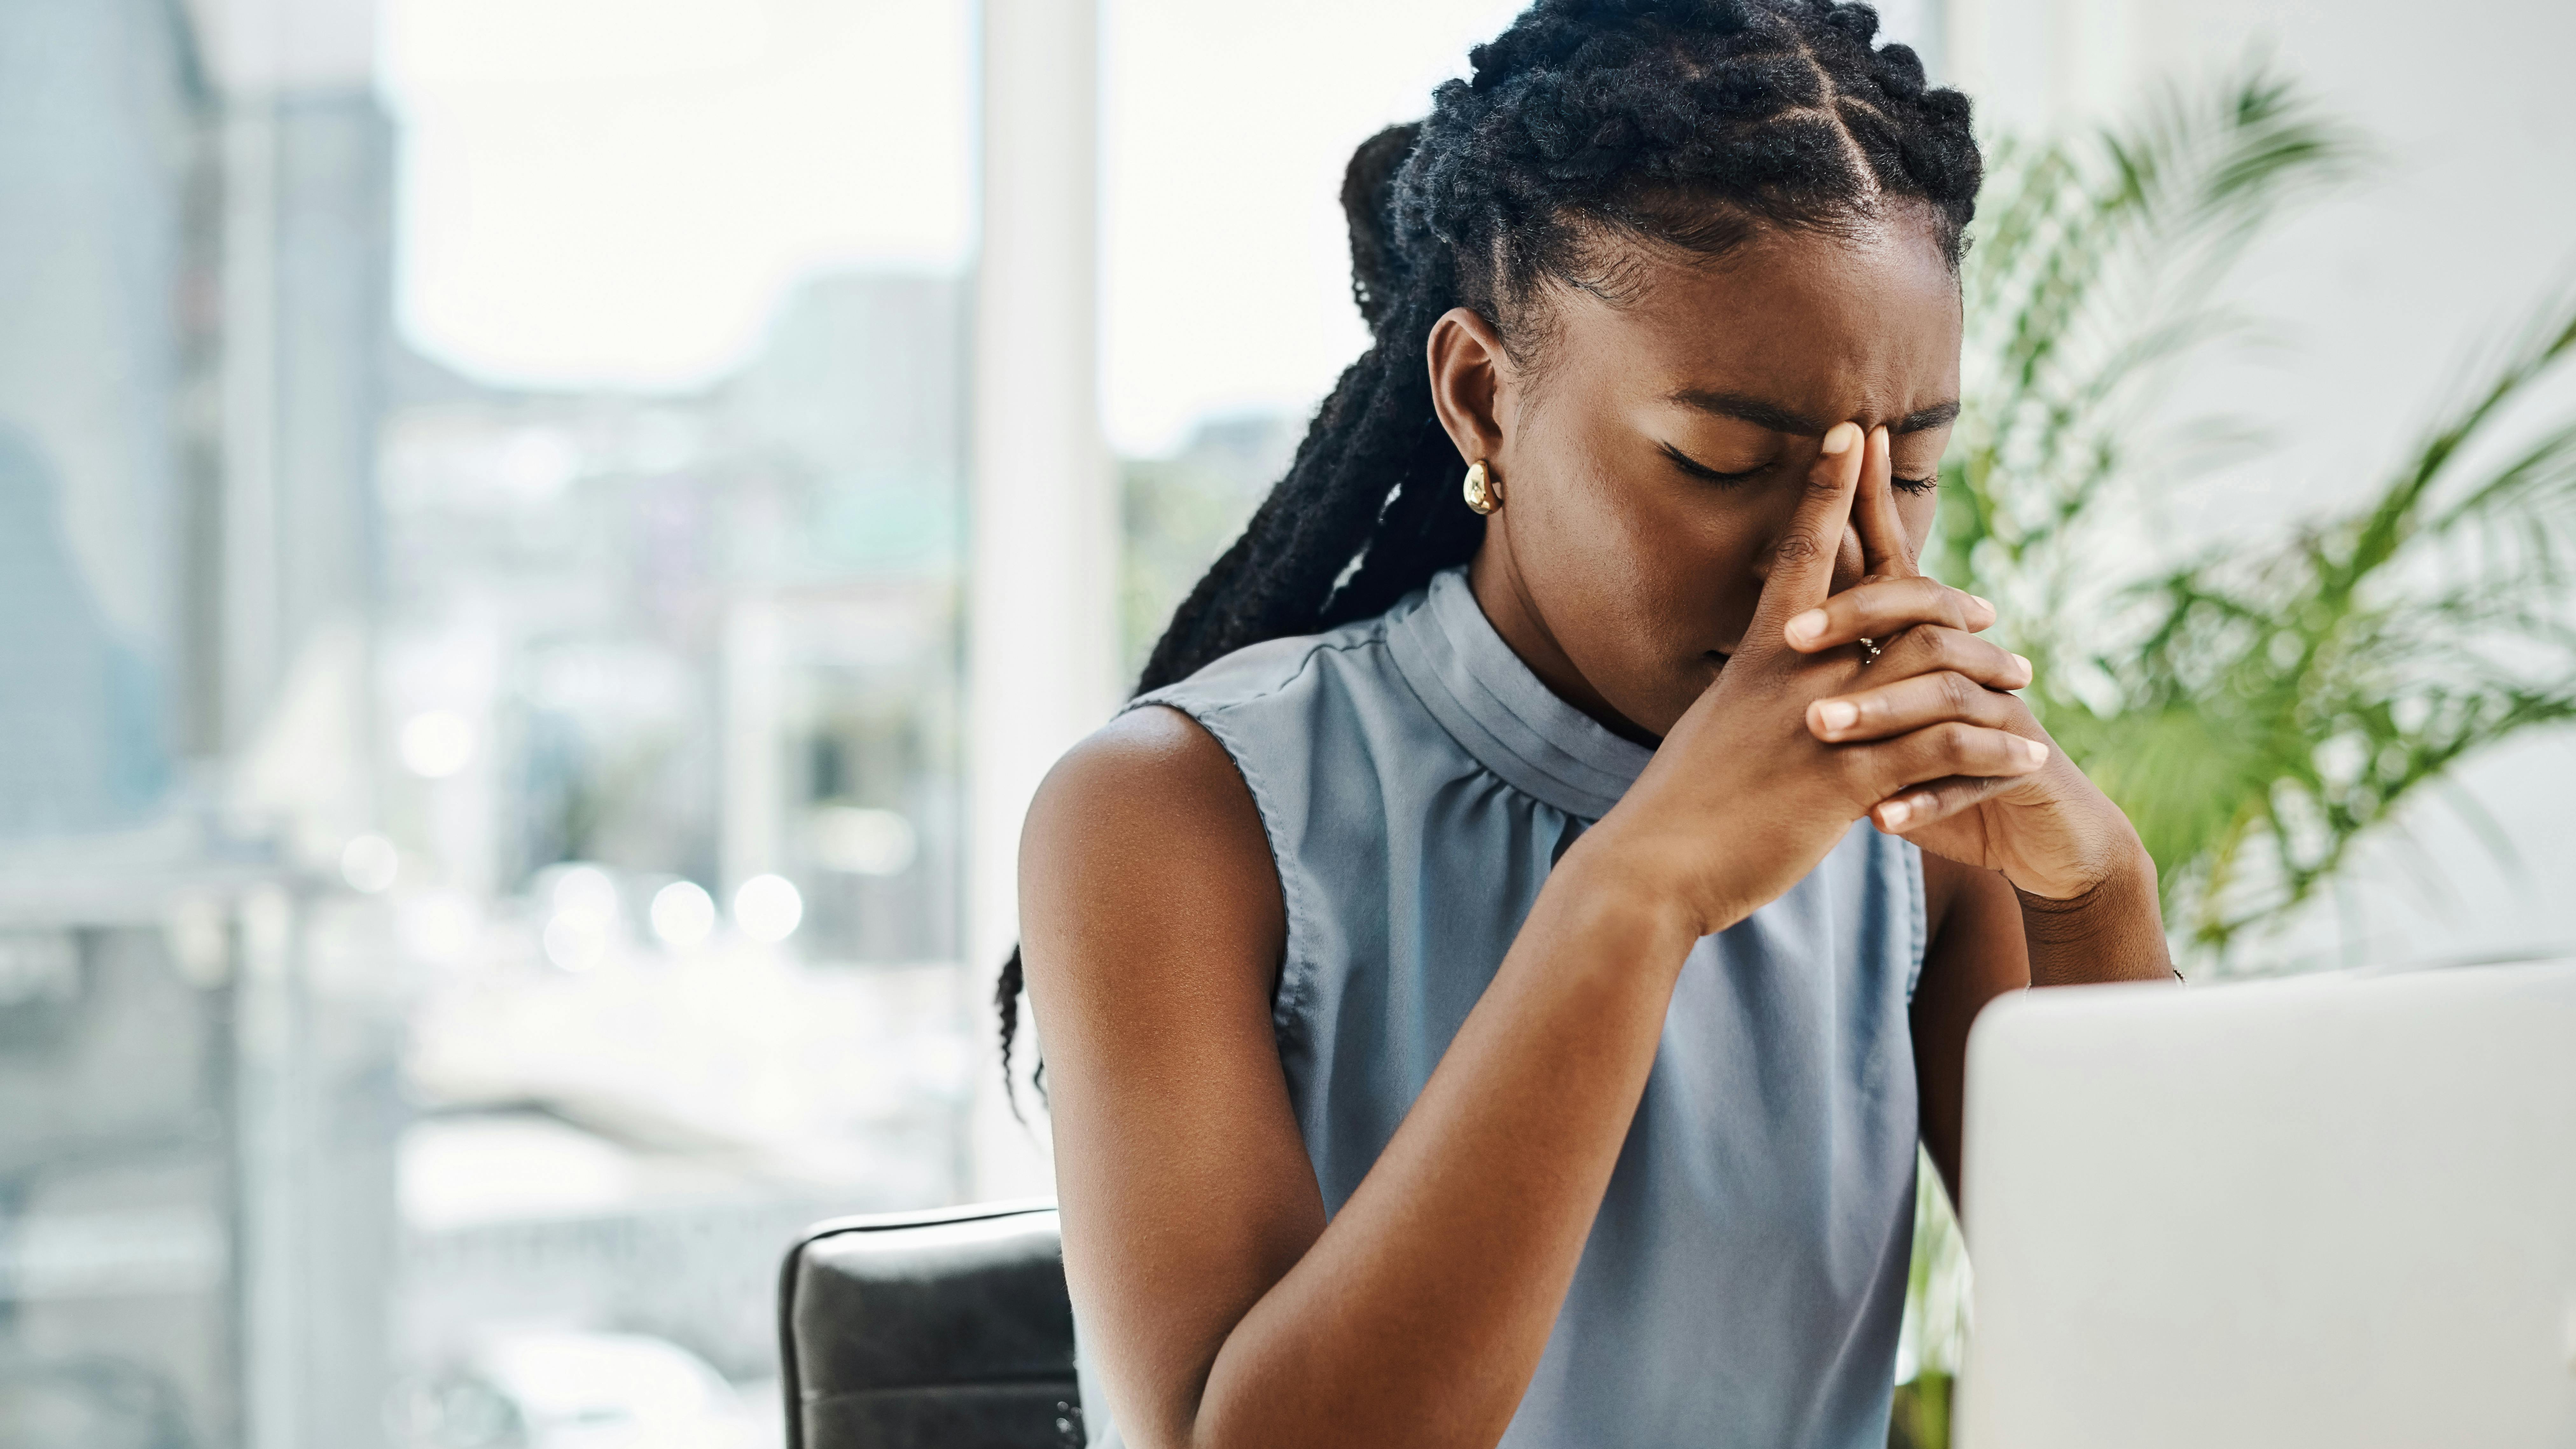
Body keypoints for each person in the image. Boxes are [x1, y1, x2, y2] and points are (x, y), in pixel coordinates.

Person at [1004, 2, 2173, 1445]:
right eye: (1723, 460)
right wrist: (1638, 888)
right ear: (1485, 398)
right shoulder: (1181, 812)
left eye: (1910, 468)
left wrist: (2097, 894)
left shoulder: (1918, 832)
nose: (1847, 554)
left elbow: (2180, 1367)